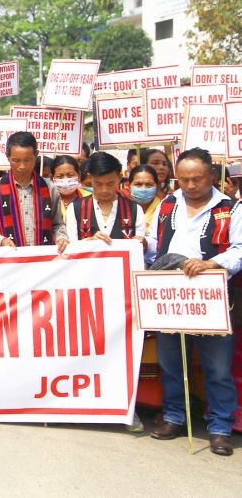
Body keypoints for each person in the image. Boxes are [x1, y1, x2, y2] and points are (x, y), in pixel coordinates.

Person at [146, 148, 240, 456]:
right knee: (172, 362)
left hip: (211, 297)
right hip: (171, 294)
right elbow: (154, 241)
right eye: (183, 179)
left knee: (217, 367)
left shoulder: (231, 207)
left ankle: (220, 427)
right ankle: (174, 416)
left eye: (196, 179)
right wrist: (140, 242)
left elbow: (240, 249)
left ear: (211, 176)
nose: (190, 185)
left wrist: (213, 263)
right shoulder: (168, 204)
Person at [0, 131, 68, 252]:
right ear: (7, 157)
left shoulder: (49, 188)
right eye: (16, 160)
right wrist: (1, 240)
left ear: (36, 155)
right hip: (10, 261)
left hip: (43, 259)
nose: (22, 166)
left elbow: (57, 224)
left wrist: (61, 238)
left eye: (27, 160)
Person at [66, 152, 147, 247]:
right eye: (98, 183)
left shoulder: (134, 209)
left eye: (110, 183)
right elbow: (71, 248)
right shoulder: (75, 208)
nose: (104, 190)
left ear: (119, 178)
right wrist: (89, 243)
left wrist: (142, 243)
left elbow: (139, 249)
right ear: (90, 178)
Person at [125, 164, 162, 253]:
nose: (143, 189)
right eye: (138, 184)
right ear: (129, 186)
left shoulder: (164, 210)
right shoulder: (123, 210)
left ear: (156, 186)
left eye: (149, 185)